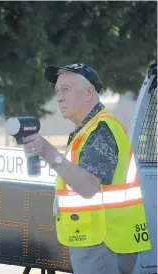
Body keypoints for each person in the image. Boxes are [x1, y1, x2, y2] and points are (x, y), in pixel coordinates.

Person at [21, 63, 151, 274]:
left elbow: (88, 186)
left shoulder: (100, 129)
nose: (59, 97)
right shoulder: (90, 129)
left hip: (103, 243)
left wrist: (47, 151)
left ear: (89, 92)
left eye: (66, 89)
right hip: (100, 240)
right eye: (57, 91)